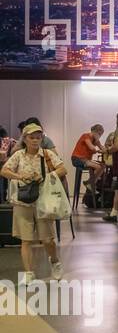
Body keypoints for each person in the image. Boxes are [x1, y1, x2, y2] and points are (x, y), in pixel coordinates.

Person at [1, 122, 67, 285]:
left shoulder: (47, 154)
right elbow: (4, 170)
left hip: (43, 200)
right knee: (26, 239)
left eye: (38, 137)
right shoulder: (18, 155)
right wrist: (19, 176)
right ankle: (29, 273)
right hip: (23, 201)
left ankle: (55, 261)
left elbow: (62, 169)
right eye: (32, 137)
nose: (35, 141)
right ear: (25, 139)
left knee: (48, 239)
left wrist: (45, 176)